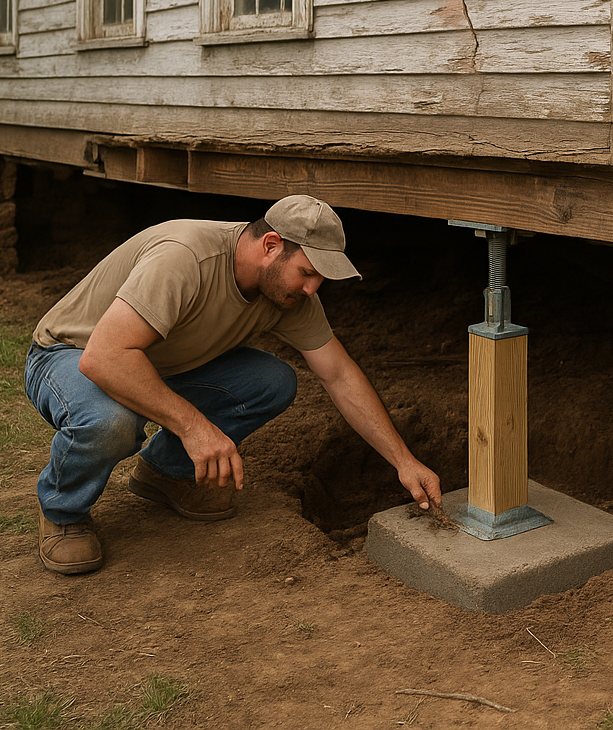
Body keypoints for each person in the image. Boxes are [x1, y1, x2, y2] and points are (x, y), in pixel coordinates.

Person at [26, 194, 442, 576]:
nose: (313, 288)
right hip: (71, 354)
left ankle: (166, 474)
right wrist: (195, 428)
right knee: (112, 421)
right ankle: (64, 511)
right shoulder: (185, 257)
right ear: (271, 245)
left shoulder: (289, 294)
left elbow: (340, 375)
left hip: (156, 361)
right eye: (308, 273)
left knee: (271, 382)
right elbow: (105, 358)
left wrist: (403, 460)